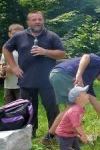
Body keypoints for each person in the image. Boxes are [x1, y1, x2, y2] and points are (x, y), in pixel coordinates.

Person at [2, 11, 66, 140]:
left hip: (48, 81)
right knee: (28, 110)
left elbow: (62, 54)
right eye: (34, 19)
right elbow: (6, 49)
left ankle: (53, 136)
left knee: (52, 109)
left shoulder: (51, 36)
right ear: (28, 22)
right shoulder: (19, 36)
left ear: (43, 21)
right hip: (27, 80)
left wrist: (45, 52)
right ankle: (29, 136)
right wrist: (14, 67)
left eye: (40, 19)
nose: (37, 22)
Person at [49, 54, 100, 125]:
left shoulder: (89, 80)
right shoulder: (98, 62)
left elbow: (93, 100)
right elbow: (86, 56)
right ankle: (52, 132)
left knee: (70, 108)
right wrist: (79, 75)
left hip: (56, 74)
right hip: (64, 74)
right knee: (73, 108)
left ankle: (66, 130)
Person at [53, 86, 91, 150]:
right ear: (78, 98)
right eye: (85, 94)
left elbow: (78, 123)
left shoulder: (81, 108)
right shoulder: (75, 111)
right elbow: (76, 125)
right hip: (64, 134)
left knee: (76, 148)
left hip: (72, 133)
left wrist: (80, 134)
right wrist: (83, 135)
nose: (88, 95)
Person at [0, 23, 24, 103]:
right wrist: (1, 71)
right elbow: (2, 63)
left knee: (22, 107)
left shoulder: (25, 48)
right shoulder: (6, 48)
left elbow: (30, 67)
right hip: (8, 85)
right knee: (9, 108)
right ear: (9, 34)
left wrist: (12, 69)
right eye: (14, 34)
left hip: (21, 85)